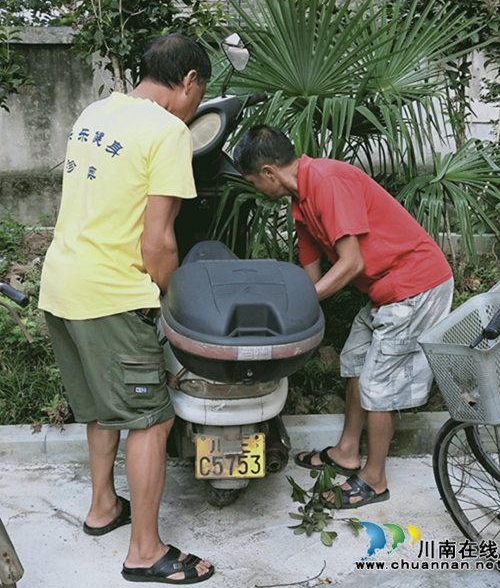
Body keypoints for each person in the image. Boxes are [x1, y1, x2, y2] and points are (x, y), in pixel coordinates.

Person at [39, 34, 214, 584]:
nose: (195, 105)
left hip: (62, 287)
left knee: (99, 408)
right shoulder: (168, 131)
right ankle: (144, 552)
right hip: (113, 297)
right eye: (199, 92)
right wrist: (172, 296)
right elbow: (157, 242)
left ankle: (102, 509)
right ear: (188, 81)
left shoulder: (95, 112)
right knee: (150, 422)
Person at [233, 125, 453, 510]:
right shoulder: (300, 205)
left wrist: (300, 305)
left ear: (269, 172)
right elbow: (311, 281)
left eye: (254, 182)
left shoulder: (327, 180)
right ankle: (347, 452)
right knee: (353, 362)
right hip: (384, 293)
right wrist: (278, 314)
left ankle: (374, 478)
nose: (257, 191)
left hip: (417, 285)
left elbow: (352, 263)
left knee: (378, 384)